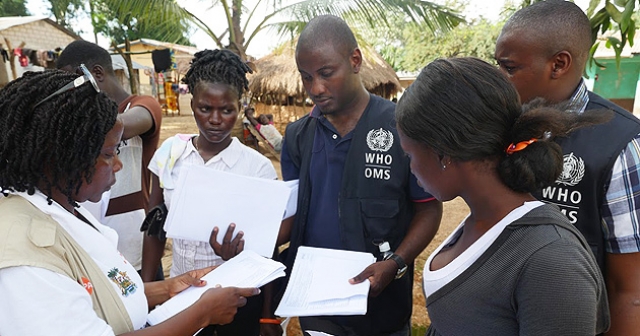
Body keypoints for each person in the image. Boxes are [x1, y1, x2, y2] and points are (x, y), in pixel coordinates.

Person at [0, 69, 259, 335]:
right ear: (63, 157)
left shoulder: (66, 208)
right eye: (110, 153)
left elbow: (105, 292)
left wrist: (167, 288)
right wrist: (201, 315)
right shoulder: (24, 259)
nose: (119, 164)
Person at [397, 56, 610, 335]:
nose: (410, 168)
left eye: (410, 155)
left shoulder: (552, 262)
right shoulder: (481, 220)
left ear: (442, 153)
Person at [278, 15, 443, 335]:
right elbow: (293, 215)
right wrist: (253, 243)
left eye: (326, 73)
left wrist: (395, 263)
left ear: (355, 60)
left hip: (383, 310)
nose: (316, 88)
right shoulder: (298, 136)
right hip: (318, 307)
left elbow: (428, 208)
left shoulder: (401, 126)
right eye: (306, 77)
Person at [495, 1, 640, 334]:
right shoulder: (505, 125)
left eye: (509, 67)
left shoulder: (620, 145)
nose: (499, 79)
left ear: (558, 64)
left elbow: (629, 291)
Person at [141, 49, 279, 336]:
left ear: (240, 107)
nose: (215, 119)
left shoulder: (256, 168)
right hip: (181, 294)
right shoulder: (171, 155)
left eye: (226, 110)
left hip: (237, 298)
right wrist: (145, 292)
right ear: (192, 103)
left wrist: (267, 316)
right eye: (205, 108)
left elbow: (268, 250)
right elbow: (154, 229)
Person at [56, 40, 163, 276]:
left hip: (135, 239)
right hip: (94, 239)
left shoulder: (143, 106)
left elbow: (118, 125)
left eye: (72, 84)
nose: (70, 94)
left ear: (96, 73)